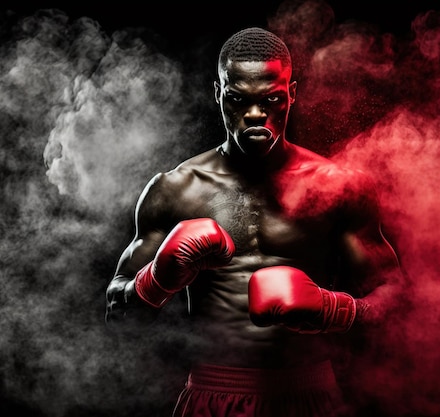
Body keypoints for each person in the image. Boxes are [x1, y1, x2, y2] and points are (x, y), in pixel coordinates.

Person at [105, 27, 404, 417]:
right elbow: (120, 315)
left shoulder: (338, 186)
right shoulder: (175, 189)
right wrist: (155, 281)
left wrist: (333, 310)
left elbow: (398, 303)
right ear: (218, 94)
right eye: (237, 100)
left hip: (310, 393)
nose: (254, 115)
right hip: (212, 394)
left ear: (291, 94)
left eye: (272, 100)